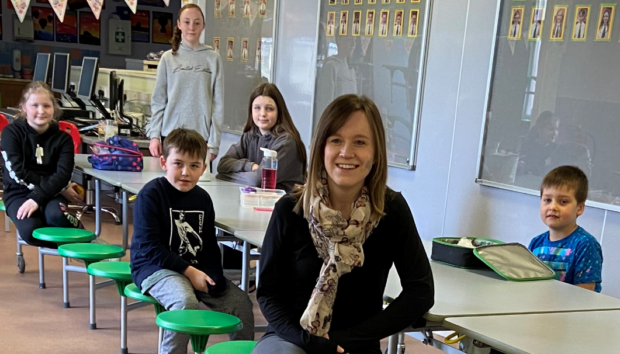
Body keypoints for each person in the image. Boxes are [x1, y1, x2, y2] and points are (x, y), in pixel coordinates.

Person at [252, 95, 434, 354]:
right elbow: (268, 294)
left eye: (359, 142)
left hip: (356, 345)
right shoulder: (291, 209)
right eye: (336, 140)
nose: (346, 152)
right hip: (291, 340)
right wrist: (310, 342)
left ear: (375, 153)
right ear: (321, 148)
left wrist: (346, 340)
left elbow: (421, 292)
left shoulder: (391, 210)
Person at [130, 128, 255, 354]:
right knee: (185, 302)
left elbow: (208, 244)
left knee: (241, 304)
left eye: (194, 166)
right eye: (178, 164)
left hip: (192, 270)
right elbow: (149, 247)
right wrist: (190, 272)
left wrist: (215, 275)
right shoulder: (151, 194)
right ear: (163, 162)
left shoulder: (202, 198)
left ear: (204, 169)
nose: (186, 172)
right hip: (153, 269)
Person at [1, 81, 84, 248]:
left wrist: (38, 197)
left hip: (53, 192)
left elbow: (63, 175)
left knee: (56, 217)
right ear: (24, 107)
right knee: (31, 230)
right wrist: (41, 195)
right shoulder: (11, 134)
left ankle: (86, 241)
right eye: (35, 105)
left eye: (46, 105)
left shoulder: (63, 139)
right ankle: (70, 246)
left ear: (53, 108)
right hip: (18, 193)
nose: (41, 111)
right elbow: (18, 173)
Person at [147, 4, 223, 165]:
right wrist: (154, 135)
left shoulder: (213, 59)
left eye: (197, 22)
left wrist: (214, 144)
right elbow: (158, 101)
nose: (191, 27)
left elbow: (218, 105)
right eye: (187, 22)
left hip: (201, 138)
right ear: (179, 24)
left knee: (197, 186)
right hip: (170, 136)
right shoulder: (168, 58)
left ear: (203, 26)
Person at [217, 83, 306, 193]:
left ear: (279, 111)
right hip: (258, 201)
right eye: (257, 108)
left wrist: (225, 175)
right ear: (251, 110)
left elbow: (258, 181)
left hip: (283, 205)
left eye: (269, 109)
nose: (262, 113)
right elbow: (222, 164)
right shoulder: (249, 135)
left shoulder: (286, 142)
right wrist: (251, 166)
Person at [528, 165, 603, 292]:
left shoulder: (585, 245)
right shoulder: (536, 243)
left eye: (563, 202)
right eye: (547, 200)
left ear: (579, 208)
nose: (553, 207)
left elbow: (585, 295)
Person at [316, 35, 357, 121]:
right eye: (349, 40)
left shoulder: (351, 69)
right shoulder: (331, 66)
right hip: (336, 119)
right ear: (339, 40)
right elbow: (326, 101)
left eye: (355, 40)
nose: (353, 44)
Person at [518, 111, 559, 177]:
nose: (555, 133)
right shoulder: (529, 149)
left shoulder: (557, 149)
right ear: (540, 130)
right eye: (551, 129)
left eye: (556, 129)